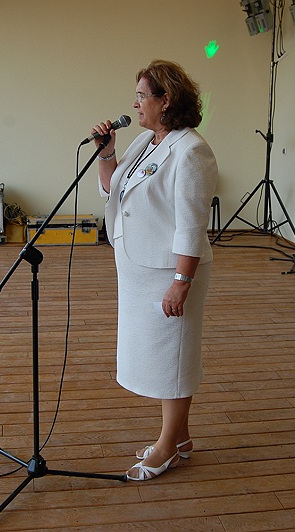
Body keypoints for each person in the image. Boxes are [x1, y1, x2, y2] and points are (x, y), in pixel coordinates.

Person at [93, 60, 218, 481]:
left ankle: (166, 447)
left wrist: (181, 282)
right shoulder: (146, 141)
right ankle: (181, 439)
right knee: (159, 355)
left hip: (170, 271)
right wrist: (107, 153)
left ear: (166, 100)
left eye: (142, 96)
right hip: (137, 269)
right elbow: (113, 187)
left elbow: (192, 224)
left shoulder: (191, 151)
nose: (135, 104)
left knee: (173, 359)